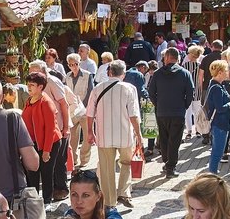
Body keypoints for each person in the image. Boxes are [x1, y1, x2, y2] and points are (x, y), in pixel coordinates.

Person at [86, 60, 141, 208]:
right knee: (126, 163)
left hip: (104, 135)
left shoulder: (98, 88)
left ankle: (110, 202)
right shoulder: (129, 88)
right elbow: (133, 115)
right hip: (125, 135)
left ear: (109, 72)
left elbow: (90, 113)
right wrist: (139, 135)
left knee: (106, 169)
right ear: (123, 74)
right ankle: (123, 192)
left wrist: (90, 132)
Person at [148, 47, 195, 176]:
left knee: (163, 138)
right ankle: (171, 166)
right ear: (178, 58)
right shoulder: (185, 73)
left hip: (162, 111)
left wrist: (158, 104)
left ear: (166, 58)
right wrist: (184, 106)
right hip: (178, 111)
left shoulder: (157, 74)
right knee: (175, 140)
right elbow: (190, 93)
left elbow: (151, 92)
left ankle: (166, 162)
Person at [21, 72, 63, 198]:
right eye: (28, 84)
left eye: (32, 85)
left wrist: (46, 151)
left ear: (40, 87)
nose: (29, 87)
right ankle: (34, 200)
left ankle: (47, 200)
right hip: (32, 143)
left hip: (49, 142)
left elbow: (50, 129)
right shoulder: (29, 100)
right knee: (32, 171)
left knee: (46, 172)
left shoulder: (46, 103)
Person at [65, 52, 95, 170]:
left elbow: (91, 92)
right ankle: (74, 159)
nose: (73, 67)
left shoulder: (87, 75)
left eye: (75, 64)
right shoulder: (67, 76)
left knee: (88, 135)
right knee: (72, 137)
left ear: (79, 63)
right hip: (72, 110)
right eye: (71, 65)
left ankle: (84, 159)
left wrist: (87, 108)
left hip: (85, 110)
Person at [204, 59, 230, 174]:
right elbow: (220, 108)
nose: (227, 73)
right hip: (220, 123)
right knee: (218, 152)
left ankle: (213, 173)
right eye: (226, 70)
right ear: (220, 72)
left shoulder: (216, 85)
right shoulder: (216, 87)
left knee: (217, 151)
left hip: (220, 123)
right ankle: (213, 175)